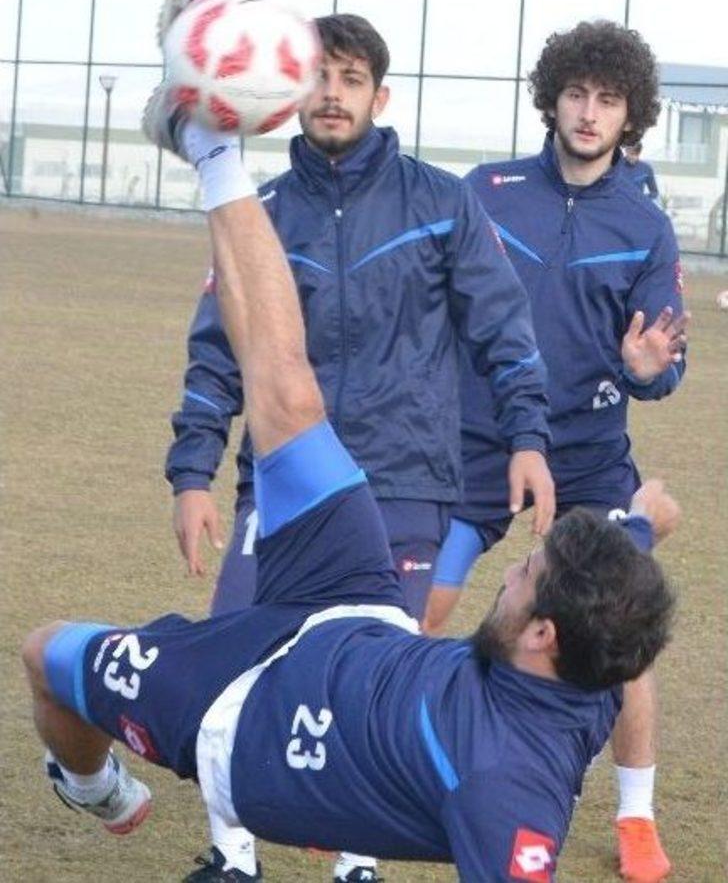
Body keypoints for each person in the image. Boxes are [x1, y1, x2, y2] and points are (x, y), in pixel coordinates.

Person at [23, 93, 679, 883]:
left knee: (46, 652)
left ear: (544, 636)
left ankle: (94, 787)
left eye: (524, 578)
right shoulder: (594, 659)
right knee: (290, 392)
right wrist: (640, 522)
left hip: (247, 718)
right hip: (354, 602)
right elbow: (619, 584)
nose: (510, 572)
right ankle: (212, 152)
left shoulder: (507, 787)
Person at [166, 0, 554, 630]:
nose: (333, 94)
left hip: (404, 484)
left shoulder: (441, 203)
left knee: (372, 678)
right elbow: (218, 354)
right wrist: (192, 475)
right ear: (291, 91)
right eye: (318, 77)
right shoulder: (261, 216)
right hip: (282, 478)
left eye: (351, 79)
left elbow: (504, 332)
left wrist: (529, 440)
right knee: (235, 657)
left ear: (379, 96)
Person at [423, 20, 688, 883]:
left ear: (630, 114)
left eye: (608, 99)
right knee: (419, 610)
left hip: (585, 455)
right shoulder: (486, 190)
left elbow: (661, 361)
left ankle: (637, 820)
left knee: (620, 633)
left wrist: (650, 370)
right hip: (478, 443)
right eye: (576, 93)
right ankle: (389, 759)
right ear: (552, 98)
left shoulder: (647, 225)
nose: (588, 112)